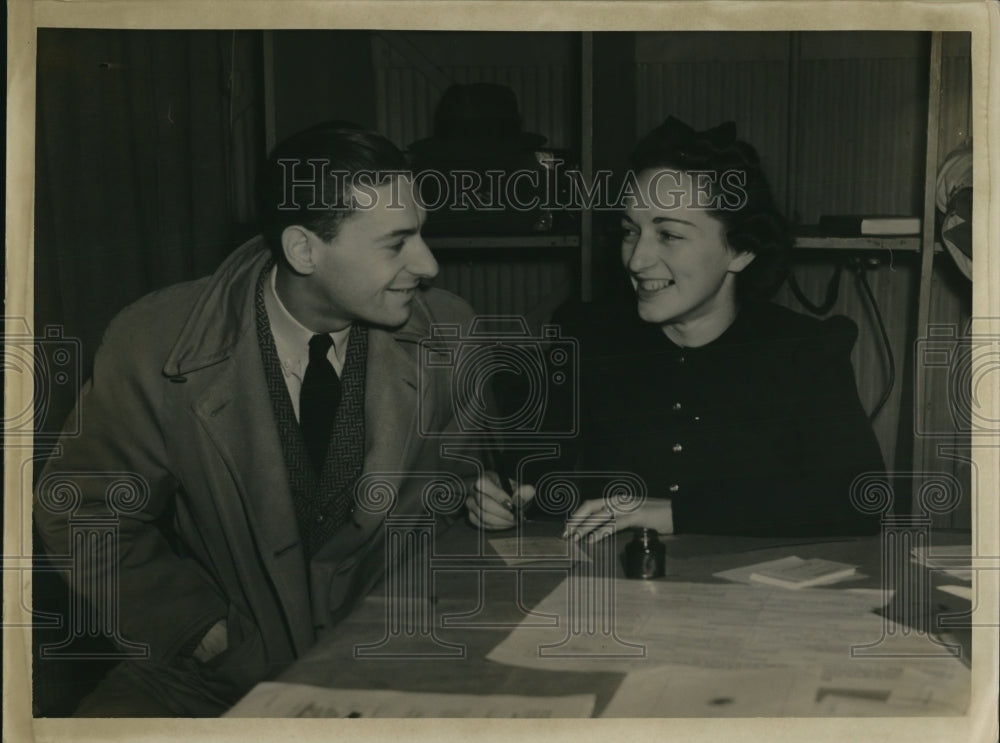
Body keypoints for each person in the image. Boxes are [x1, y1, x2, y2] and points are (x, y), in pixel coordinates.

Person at [33, 124, 476, 716]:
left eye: (422, 232)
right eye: (396, 244)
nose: (429, 263)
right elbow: (83, 505)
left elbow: (454, 500)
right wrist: (194, 629)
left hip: (390, 670)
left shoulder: (451, 335)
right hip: (211, 678)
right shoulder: (154, 342)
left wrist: (482, 499)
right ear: (303, 250)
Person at [469, 116, 885, 539]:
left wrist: (677, 513)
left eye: (668, 234)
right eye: (631, 231)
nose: (636, 260)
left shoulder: (805, 351)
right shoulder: (587, 337)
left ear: (741, 250)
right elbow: (533, 473)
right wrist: (501, 497)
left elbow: (859, 501)